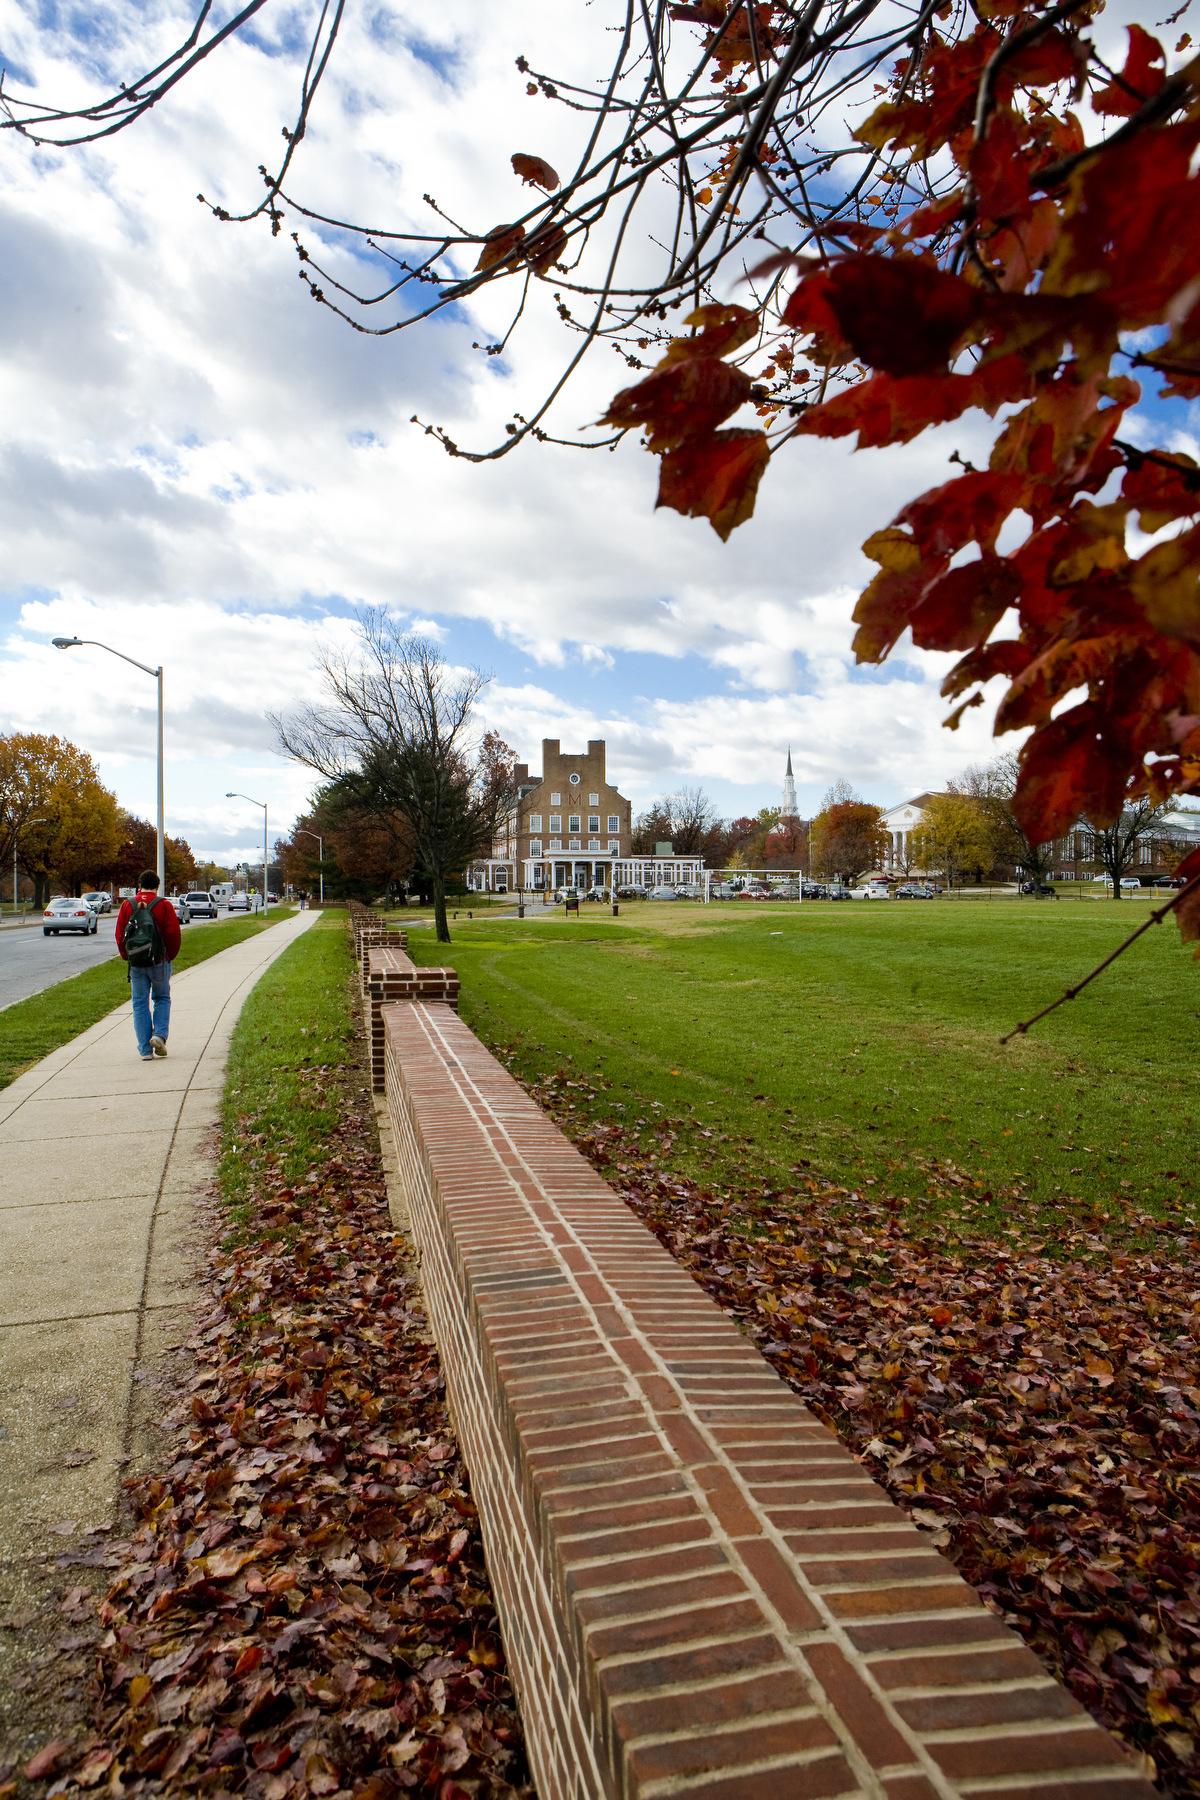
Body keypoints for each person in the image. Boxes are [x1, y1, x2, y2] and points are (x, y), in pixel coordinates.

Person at [115, 869, 182, 1061]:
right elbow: (173, 934)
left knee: (139, 1003)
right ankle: (158, 1035)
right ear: (157, 886)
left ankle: (145, 1050)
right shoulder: (164, 905)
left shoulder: (128, 905)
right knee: (162, 998)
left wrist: (126, 955)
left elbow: (120, 934)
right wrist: (169, 955)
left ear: (139, 885)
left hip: (136, 962)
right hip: (160, 961)